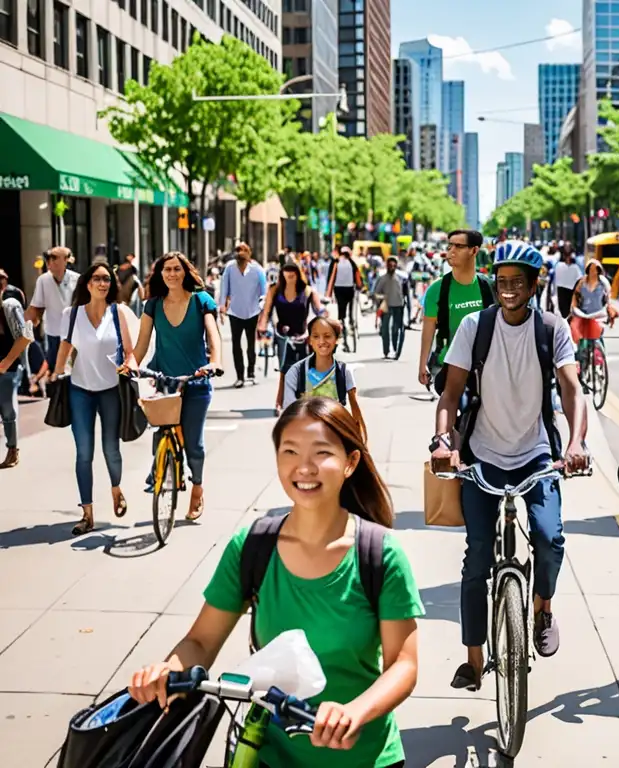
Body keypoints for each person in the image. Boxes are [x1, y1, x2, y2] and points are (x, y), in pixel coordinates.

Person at [128, 397, 423, 768]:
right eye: (290, 451)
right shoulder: (251, 548)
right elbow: (200, 641)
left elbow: (403, 664)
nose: (304, 467)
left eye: (321, 453)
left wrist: (355, 712)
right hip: (269, 754)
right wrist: (167, 671)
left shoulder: (380, 554)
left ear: (350, 463)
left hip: (366, 758)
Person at [430, 240, 589, 690]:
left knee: (549, 537)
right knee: (477, 557)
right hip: (481, 454)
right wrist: (445, 441)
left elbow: (572, 391)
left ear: (534, 285)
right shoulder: (474, 328)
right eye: (501, 282)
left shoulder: (552, 329)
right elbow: (450, 393)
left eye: (517, 282)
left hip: (536, 454)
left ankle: (542, 607)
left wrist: (575, 442)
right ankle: (474, 660)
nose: (508, 290)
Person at [52, 263, 139, 536]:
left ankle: (116, 488)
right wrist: (55, 375)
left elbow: (129, 351)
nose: (103, 283)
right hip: (80, 390)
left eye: (107, 279)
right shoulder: (72, 314)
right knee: (84, 453)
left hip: (111, 390)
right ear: (87, 284)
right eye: (97, 279)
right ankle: (87, 513)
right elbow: (65, 346)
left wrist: (129, 365)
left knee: (111, 448)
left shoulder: (119, 313)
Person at [134, 252, 222, 521]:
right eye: (166, 269)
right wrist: (129, 365)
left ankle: (197, 487)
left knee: (193, 444)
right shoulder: (152, 305)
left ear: (185, 272)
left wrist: (214, 362)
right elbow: (140, 345)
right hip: (165, 381)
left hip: (196, 381)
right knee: (162, 433)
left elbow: (212, 333)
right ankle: (164, 468)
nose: (171, 274)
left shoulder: (201, 301)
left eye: (176, 269)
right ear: (160, 274)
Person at [418, 230, 493, 392]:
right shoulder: (436, 290)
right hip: (448, 364)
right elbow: (428, 329)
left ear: (474, 250)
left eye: (458, 246)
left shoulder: (489, 287)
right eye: (450, 245)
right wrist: (423, 363)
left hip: (487, 365)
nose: (450, 251)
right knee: (452, 406)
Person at [283, 316, 366, 440]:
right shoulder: (295, 372)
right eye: (316, 336)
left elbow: (355, 413)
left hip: (336, 437)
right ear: (310, 340)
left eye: (327, 336)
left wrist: (362, 444)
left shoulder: (344, 372)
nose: (322, 341)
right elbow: (289, 413)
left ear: (336, 340)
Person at [258, 263, 324, 414]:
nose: (289, 277)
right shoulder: (274, 290)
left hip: (302, 335)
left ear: (298, 274)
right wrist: (262, 326)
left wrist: (326, 321)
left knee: (305, 369)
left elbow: (319, 310)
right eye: (286, 274)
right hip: (283, 336)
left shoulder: (307, 291)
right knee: (284, 370)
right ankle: (280, 402)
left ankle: (306, 401)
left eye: (292, 274)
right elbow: (266, 310)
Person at [220, 242, 267, 388]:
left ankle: (251, 374)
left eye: (243, 250)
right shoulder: (229, 268)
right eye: (238, 251)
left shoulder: (257, 270)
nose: (240, 253)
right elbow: (224, 288)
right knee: (236, 344)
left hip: (252, 311)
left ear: (249, 253)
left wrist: (262, 309)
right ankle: (239, 376)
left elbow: (264, 291)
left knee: (251, 344)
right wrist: (222, 306)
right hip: (235, 311)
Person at [27, 246, 79, 373]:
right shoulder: (43, 280)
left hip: (75, 332)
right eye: (48, 257)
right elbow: (37, 307)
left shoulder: (77, 279)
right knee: (54, 367)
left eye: (54, 257)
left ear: (66, 260)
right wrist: (29, 325)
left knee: (75, 367)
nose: (50, 260)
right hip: (53, 332)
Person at [0, 291, 34, 468]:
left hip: (8, 369)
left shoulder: (9, 307)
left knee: (7, 410)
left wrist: (6, 362)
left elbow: (26, 336)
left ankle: (13, 450)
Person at [327, 247, 363, 352]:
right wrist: (360, 286)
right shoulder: (352, 263)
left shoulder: (336, 262)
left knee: (341, 311)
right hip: (350, 289)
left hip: (339, 290)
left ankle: (343, 325)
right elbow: (357, 276)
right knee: (351, 308)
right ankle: (351, 321)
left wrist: (328, 293)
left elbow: (331, 277)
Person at [569, 260, 611, 346]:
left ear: (599, 270)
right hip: (583, 315)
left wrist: (608, 309)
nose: (593, 271)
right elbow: (575, 297)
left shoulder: (603, 282)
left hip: (599, 316)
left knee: (598, 341)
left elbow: (608, 298)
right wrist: (574, 309)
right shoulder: (581, 282)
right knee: (581, 341)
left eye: (595, 269)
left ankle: (601, 357)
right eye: (591, 269)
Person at [374, 257, 406, 361]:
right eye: (390, 265)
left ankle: (396, 350)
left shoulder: (400, 278)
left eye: (394, 265)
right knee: (385, 330)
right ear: (387, 266)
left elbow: (404, 293)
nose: (392, 267)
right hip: (386, 307)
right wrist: (382, 299)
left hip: (398, 306)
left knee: (396, 329)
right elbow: (376, 293)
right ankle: (386, 351)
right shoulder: (382, 279)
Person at [552, 248, 582, 319]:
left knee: (569, 310)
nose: (568, 257)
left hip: (571, 290)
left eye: (569, 255)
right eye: (566, 255)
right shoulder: (558, 265)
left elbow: (580, 279)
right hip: (561, 290)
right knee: (563, 311)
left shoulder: (575, 267)